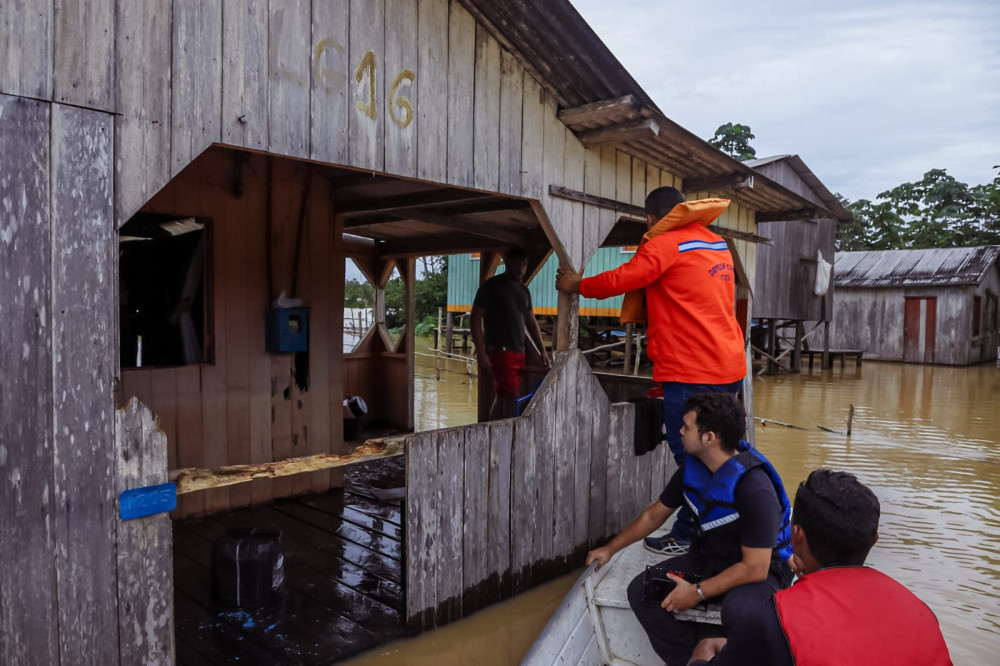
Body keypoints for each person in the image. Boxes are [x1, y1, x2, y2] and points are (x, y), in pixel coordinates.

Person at [556, 186, 746, 555]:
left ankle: (691, 534)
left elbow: (621, 280)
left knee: (690, 454)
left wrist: (576, 284)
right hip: (729, 365)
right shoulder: (716, 243)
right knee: (720, 450)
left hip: (692, 368)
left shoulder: (664, 244)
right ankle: (733, 520)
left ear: (649, 218)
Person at [586, 392, 793, 666]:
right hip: (711, 557)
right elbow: (653, 516)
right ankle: (691, 660)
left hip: (762, 570)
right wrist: (610, 549)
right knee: (641, 591)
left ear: (709, 438)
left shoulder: (755, 487)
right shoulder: (692, 470)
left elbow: (756, 567)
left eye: (686, 426)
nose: (679, 431)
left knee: (740, 610)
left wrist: (697, 592)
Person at [688, 469, 953, 666]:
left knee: (707, 644)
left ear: (797, 535)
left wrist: (704, 651)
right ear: (874, 541)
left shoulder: (773, 618)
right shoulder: (921, 612)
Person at [471, 246, 550, 420]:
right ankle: (505, 432)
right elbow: (475, 318)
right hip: (500, 350)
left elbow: (531, 321)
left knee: (504, 395)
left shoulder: (524, 290)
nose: (521, 269)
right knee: (511, 395)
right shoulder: (492, 286)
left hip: (518, 351)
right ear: (508, 263)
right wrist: (481, 351)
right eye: (517, 264)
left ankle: (493, 431)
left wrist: (542, 350)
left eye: (525, 265)